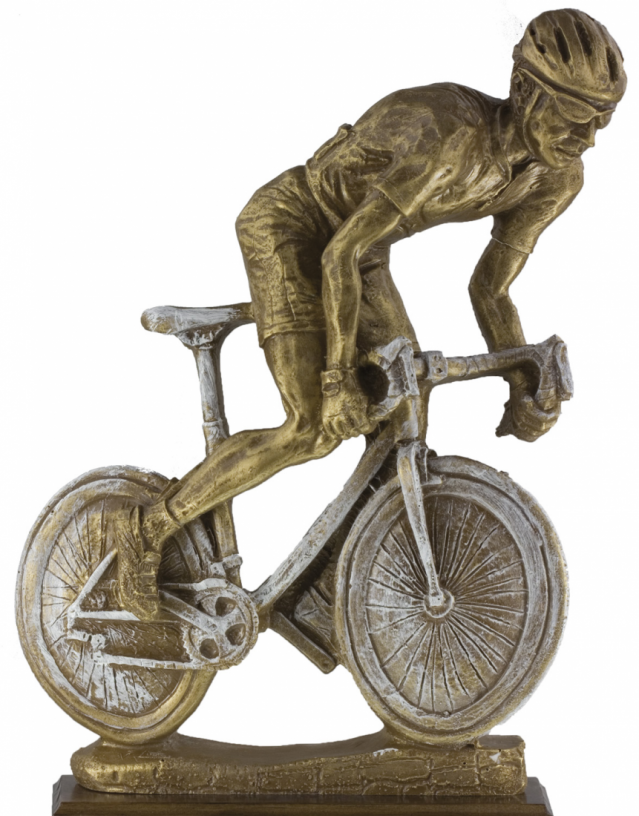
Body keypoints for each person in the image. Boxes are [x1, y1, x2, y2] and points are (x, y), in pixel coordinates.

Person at [116, 9, 626, 619]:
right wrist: (336, 380)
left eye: (602, 122)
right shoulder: (449, 135)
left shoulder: (556, 178)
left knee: (405, 405)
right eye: (573, 118)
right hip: (295, 225)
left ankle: (335, 580)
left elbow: (491, 289)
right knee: (311, 426)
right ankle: (144, 529)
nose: (588, 139)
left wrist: (520, 379)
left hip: (361, 249)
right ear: (523, 90)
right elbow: (338, 253)